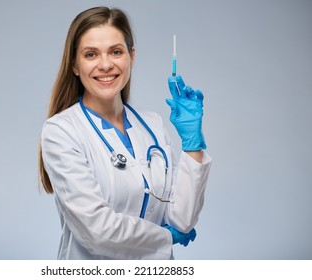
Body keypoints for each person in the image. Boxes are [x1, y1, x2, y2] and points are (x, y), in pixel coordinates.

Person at [38, 6, 212, 260]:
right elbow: (96, 232)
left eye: (116, 52)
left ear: (132, 56)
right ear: (75, 65)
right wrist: (165, 237)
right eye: (91, 54)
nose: (106, 64)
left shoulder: (152, 125)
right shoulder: (61, 132)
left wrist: (192, 144)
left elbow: (181, 219)